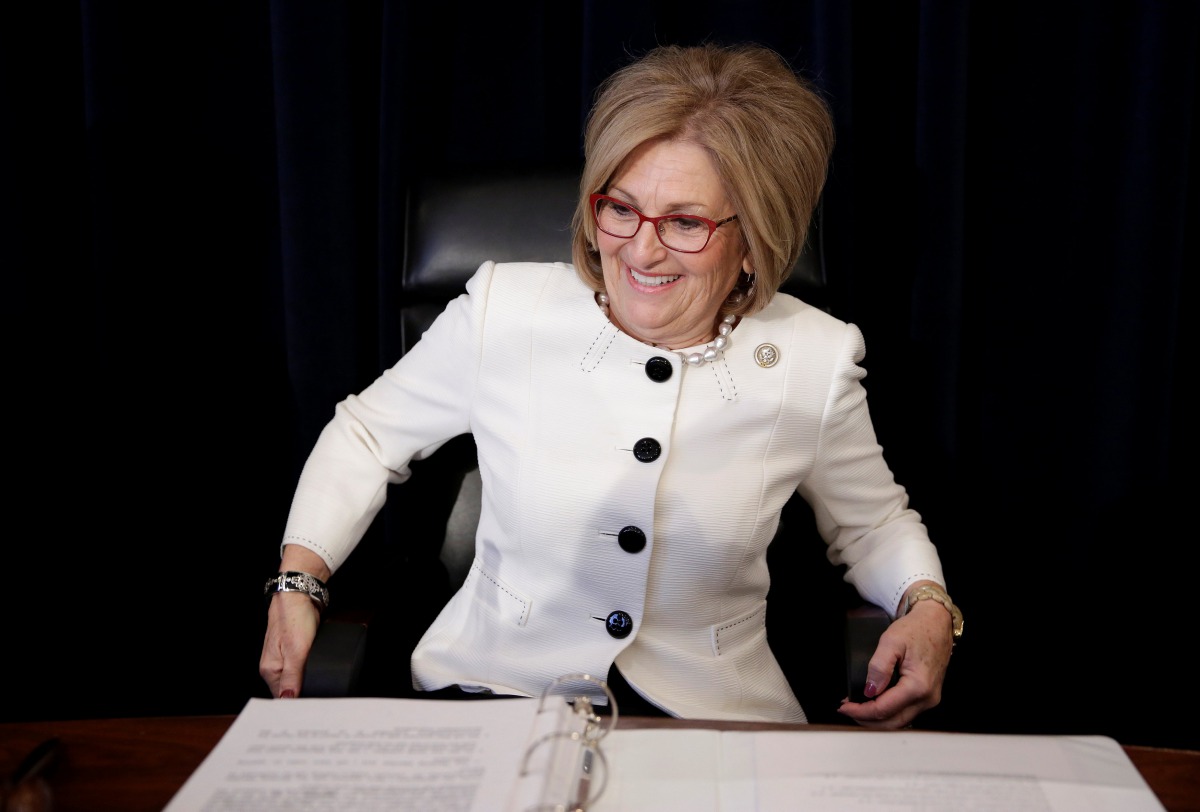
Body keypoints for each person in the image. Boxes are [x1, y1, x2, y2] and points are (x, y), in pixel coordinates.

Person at [260, 41, 961, 729]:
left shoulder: (815, 354)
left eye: (685, 222)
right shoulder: (505, 310)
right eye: (620, 208)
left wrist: (928, 605)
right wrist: (300, 580)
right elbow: (367, 433)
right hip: (498, 698)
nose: (641, 248)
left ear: (754, 241)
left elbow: (871, 524)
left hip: (712, 721)